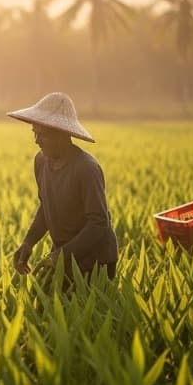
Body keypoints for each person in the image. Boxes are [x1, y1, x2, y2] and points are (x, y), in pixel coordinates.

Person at [9, 93, 119, 286]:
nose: (36, 140)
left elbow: (99, 223)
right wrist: (28, 242)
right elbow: (46, 207)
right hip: (64, 253)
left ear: (61, 133)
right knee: (45, 305)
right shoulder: (41, 161)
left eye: (41, 134)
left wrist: (59, 256)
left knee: (85, 310)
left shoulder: (86, 168)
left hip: (95, 260)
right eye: (34, 133)